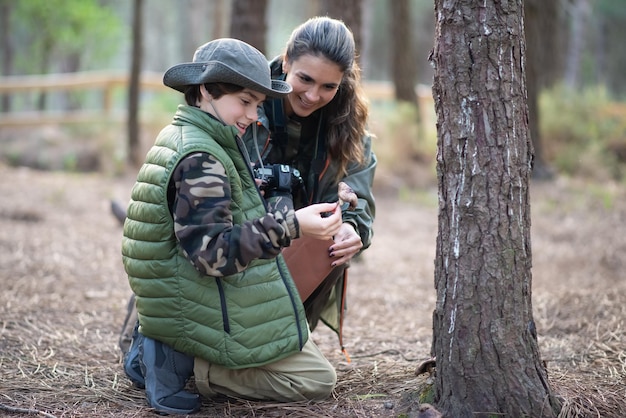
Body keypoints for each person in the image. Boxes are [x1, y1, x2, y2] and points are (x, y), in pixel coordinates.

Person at [122, 38, 344, 414]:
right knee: (316, 379)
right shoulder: (201, 157)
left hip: (201, 295)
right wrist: (290, 225)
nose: (253, 115)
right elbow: (212, 255)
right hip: (195, 300)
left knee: (295, 345)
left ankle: (170, 348)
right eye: (244, 101)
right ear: (207, 89)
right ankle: (184, 361)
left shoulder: (196, 136)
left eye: (258, 105)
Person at [240, 16, 376, 353]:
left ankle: (283, 334)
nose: (313, 96)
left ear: (342, 82)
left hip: (303, 255)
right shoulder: (243, 104)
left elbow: (359, 199)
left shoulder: (349, 127)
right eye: (305, 79)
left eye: (329, 87)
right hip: (240, 243)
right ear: (286, 61)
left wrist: (352, 227)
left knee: (333, 238)